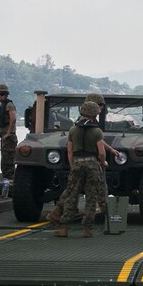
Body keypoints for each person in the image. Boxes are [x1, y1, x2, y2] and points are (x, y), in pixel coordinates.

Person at [47, 101, 113, 237]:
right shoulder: (96, 131)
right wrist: (102, 162)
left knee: (71, 196)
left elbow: (70, 151)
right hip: (92, 165)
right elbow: (101, 152)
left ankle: (64, 227)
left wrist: (73, 166)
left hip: (77, 163)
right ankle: (87, 229)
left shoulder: (73, 130)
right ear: (94, 114)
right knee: (91, 197)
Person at [0, 83, 17, 182]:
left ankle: (9, 182)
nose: (0, 97)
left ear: (6, 94)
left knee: (8, 161)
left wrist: (8, 134)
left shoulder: (9, 105)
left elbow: (13, 119)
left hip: (9, 137)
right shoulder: (3, 105)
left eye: (2, 94)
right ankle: (7, 180)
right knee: (4, 160)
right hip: (4, 136)